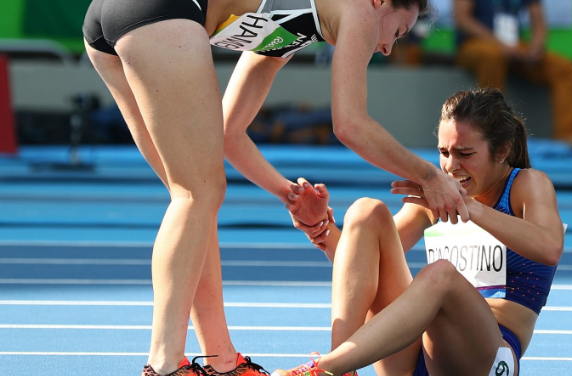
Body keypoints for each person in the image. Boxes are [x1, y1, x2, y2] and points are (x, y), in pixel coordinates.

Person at [82, 0, 469, 375]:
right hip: (159, 11)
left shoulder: (291, 30)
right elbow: (349, 124)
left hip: (108, 22)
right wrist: (431, 176)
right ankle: (165, 365)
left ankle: (222, 362)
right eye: (397, 31)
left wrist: (288, 193)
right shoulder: (358, 10)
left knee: (194, 203)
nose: (386, 47)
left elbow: (230, 132)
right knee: (197, 195)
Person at [278, 88, 565, 376]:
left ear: (502, 150)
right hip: (415, 355)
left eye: (465, 153)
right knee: (366, 211)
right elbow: (361, 266)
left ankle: (325, 368)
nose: (451, 167)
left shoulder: (527, 184)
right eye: (443, 152)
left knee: (441, 274)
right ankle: (338, 370)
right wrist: (321, 228)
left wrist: (469, 208)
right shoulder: (433, 202)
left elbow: (550, 247)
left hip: (488, 359)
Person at [453, 0, 572, 147]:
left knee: (565, 69)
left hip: (513, 46)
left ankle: (567, 139)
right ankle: (494, 133)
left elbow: (539, 22)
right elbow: (463, 19)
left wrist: (535, 48)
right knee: (492, 57)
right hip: (476, 44)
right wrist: (500, 44)